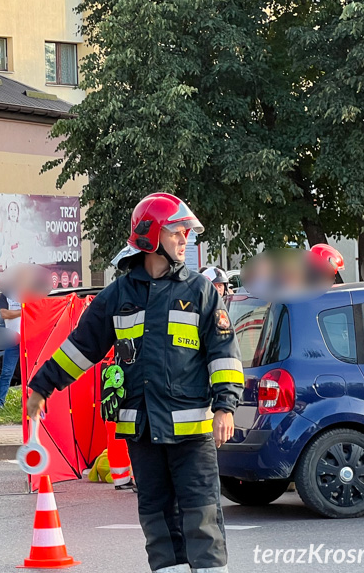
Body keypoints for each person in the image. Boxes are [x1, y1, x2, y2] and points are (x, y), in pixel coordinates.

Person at [26, 193, 243, 573]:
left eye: (186, 233)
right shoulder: (118, 295)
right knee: (157, 522)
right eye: (177, 232)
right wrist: (42, 386)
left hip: (191, 434)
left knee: (202, 518)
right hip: (143, 432)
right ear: (152, 236)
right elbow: (80, 348)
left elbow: (224, 355)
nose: (185, 240)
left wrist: (226, 406)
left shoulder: (200, 292)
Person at [0, 291, 21, 409]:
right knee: (7, 372)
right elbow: (4, 314)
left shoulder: (29, 293)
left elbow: (36, 311)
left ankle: (29, 401)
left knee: (31, 373)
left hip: (29, 338)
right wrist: (23, 311)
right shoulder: (6, 295)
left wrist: (14, 313)